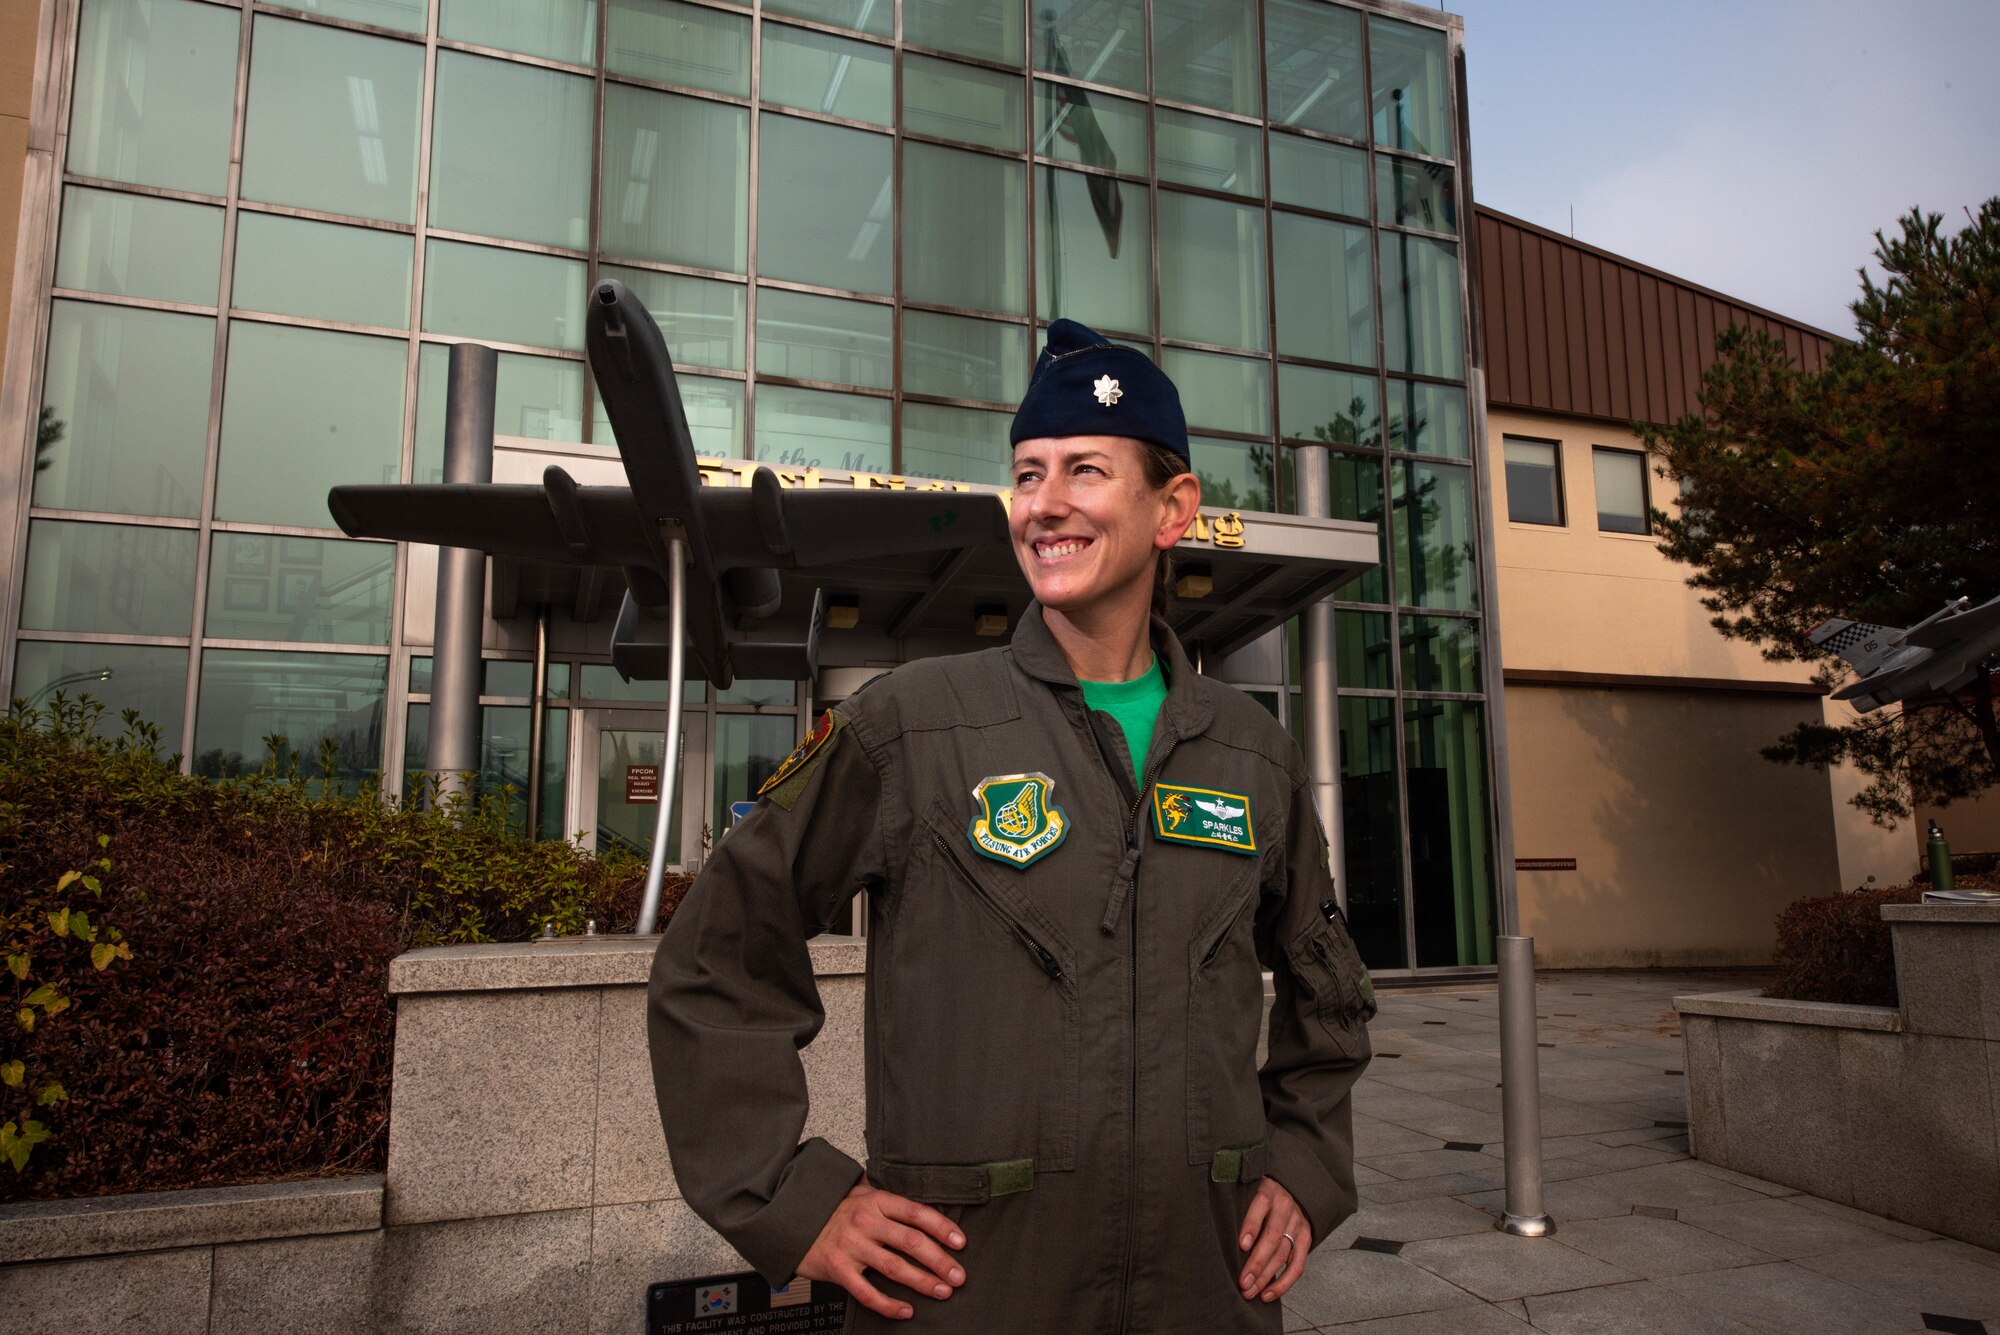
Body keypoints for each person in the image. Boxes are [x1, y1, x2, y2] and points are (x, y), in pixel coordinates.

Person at [648, 319, 1375, 1333]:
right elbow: (717, 956)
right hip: (970, 1298)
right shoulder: (911, 724)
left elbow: (1327, 993)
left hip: (1204, 1295)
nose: (1045, 504)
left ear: (1172, 509)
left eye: (1084, 470)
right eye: (1027, 474)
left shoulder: (1250, 755)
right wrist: (790, 1199)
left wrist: (1303, 1166)